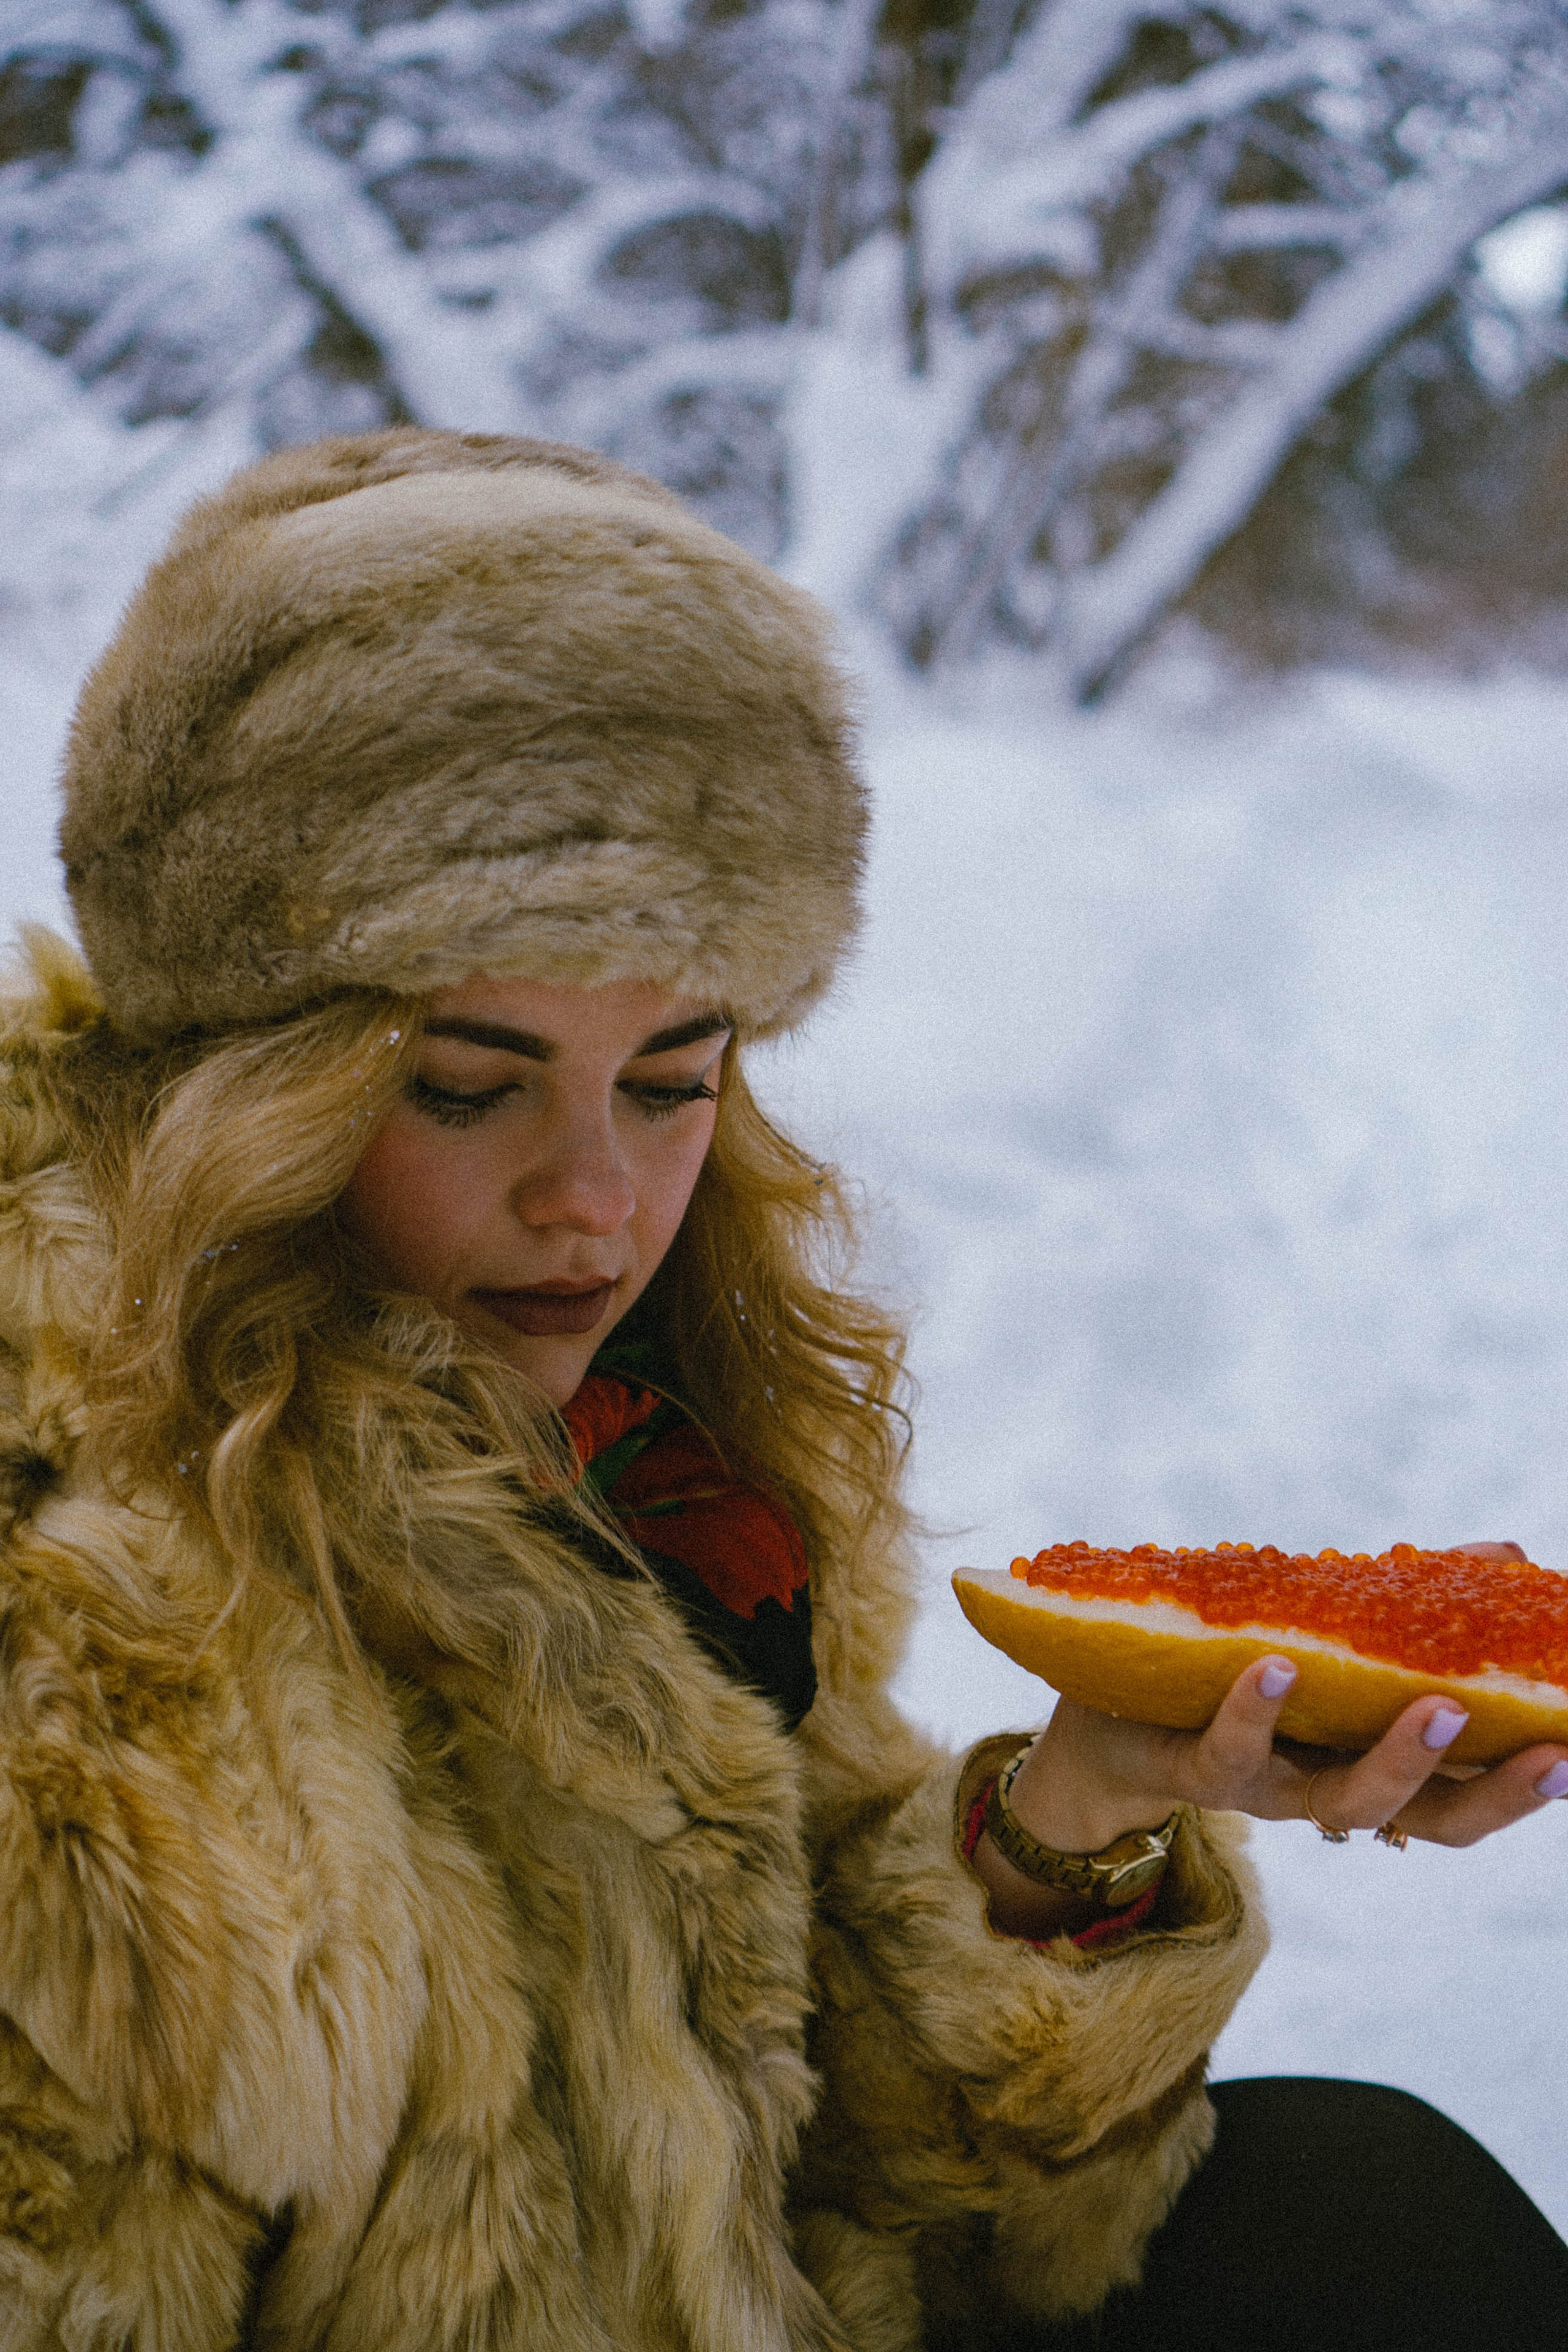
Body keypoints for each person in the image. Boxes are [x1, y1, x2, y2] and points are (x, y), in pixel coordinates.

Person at [0, 427, 1562, 2351]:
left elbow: (804, 2155)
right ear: (245, 1086)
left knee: (1371, 2203)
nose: (598, 1201)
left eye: (674, 1079)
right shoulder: (69, 1636)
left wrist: (1068, 1831)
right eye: (466, 1084)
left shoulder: (653, 1462)